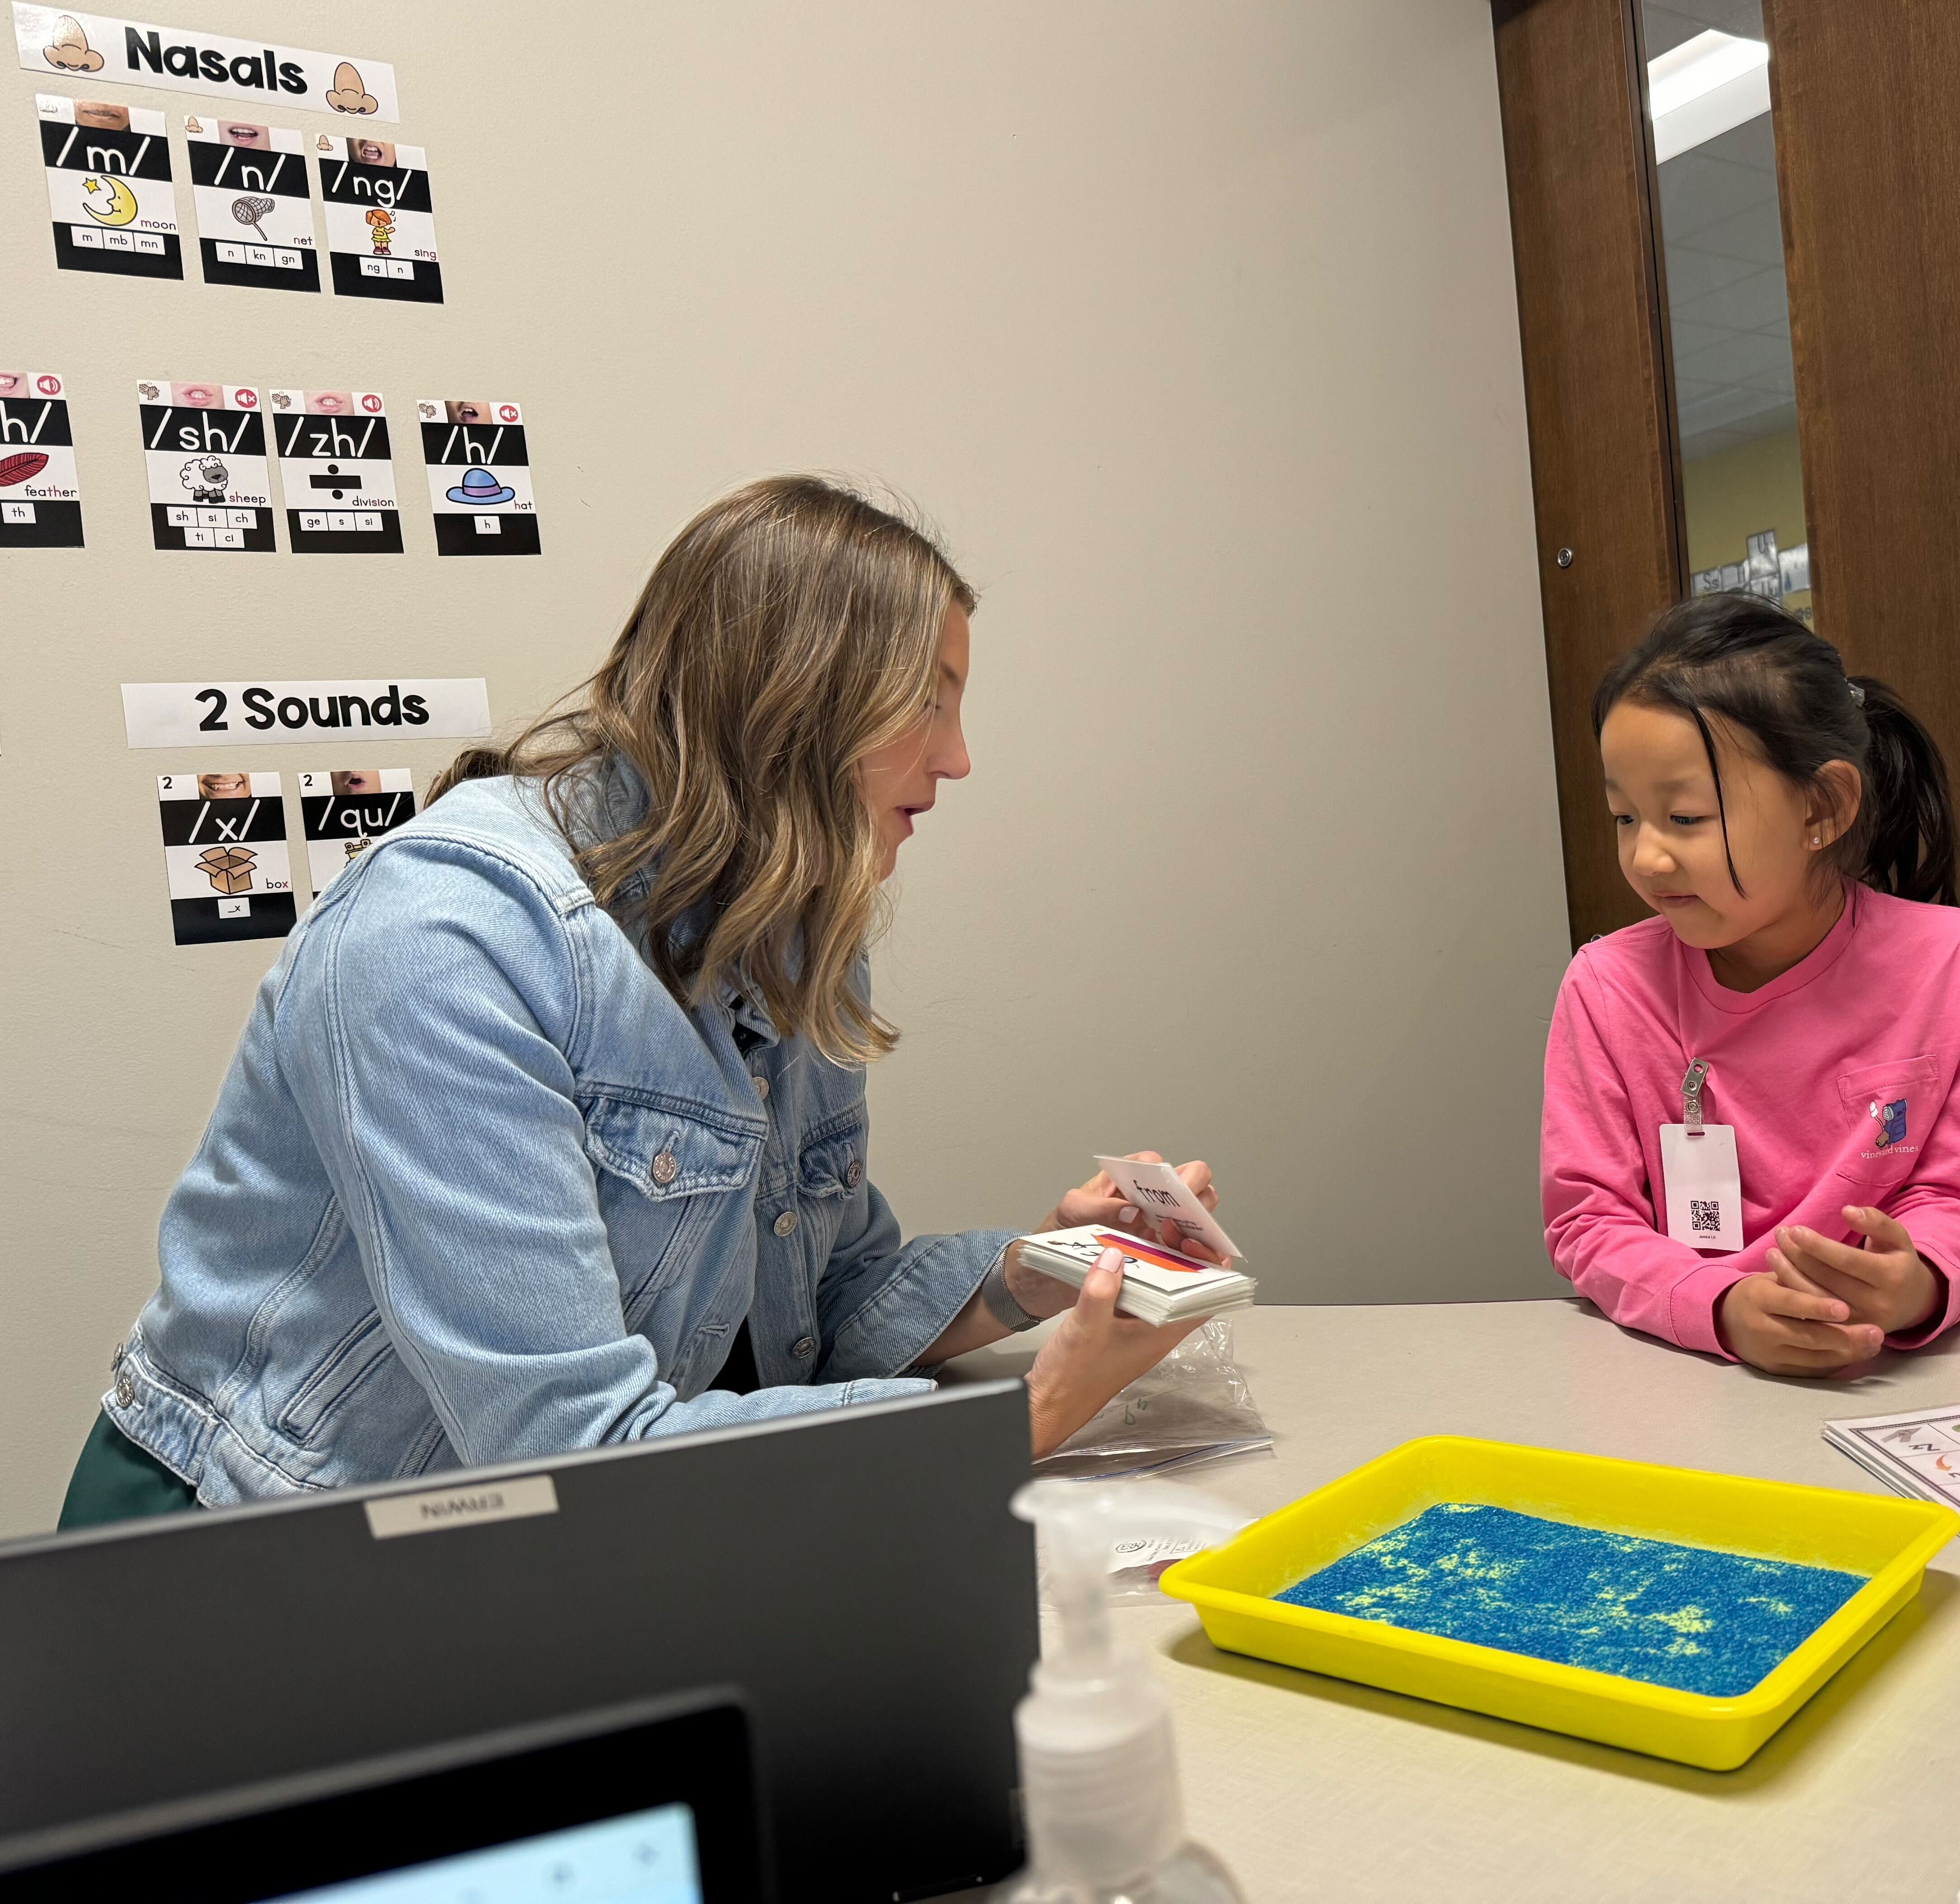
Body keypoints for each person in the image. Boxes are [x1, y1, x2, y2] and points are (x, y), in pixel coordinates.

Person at [65, 476, 1222, 1526]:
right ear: (796, 705)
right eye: (928, 702)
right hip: (255, 1552)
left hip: (534, 1544)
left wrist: (1049, 1271)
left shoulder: (788, 931)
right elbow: (569, 1452)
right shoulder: (447, 944)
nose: (958, 759)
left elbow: (816, 1313)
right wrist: (1020, 1420)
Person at [1540, 595, 1960, 1377]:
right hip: (1690, 1376)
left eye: (1685, 817)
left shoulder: (1954, 962)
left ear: (1822, 808)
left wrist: (1920, 1282)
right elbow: (1589, 1223)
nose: (1646, 859)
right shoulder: (1606, 986)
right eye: (1625, 818)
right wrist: (1718, 1309)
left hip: (1890, 1381)